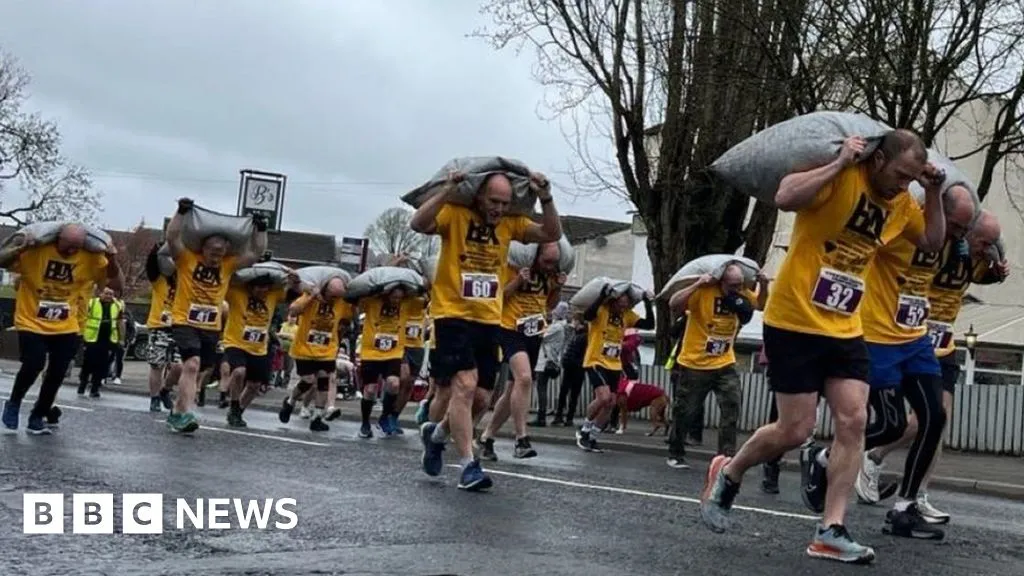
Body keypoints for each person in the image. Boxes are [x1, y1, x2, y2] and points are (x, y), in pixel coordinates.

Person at [699, 130, 947, 565]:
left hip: (846, 324)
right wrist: (837, 163)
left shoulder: (904, 202)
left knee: (853, 420)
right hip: (794, 318)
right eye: (899, 174)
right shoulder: (845, 177)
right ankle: (730, 471)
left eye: (912, 178)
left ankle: (831, 529)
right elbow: (785, 196)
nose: (902, 184)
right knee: (795, 430)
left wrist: (934, 193)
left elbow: (930, 242)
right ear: (878, 160)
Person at [792, 184, 970, 542]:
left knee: (934, 417)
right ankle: (824, 458)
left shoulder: (947, 243)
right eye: (956, 227)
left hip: (916, 337)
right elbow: (859, 242)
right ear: (933, 210)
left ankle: (905, 509)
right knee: (888, 426)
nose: (957, 235)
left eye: (965, 230)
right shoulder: (905, 224)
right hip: (876, 336)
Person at [855, 208, 1009, 522]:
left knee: (938, 420)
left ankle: (916, 494)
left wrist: (996, 272)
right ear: (966, 230)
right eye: (983, 241)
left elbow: (978, 274)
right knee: (912, 419)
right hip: (914, 335)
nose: (985, 248)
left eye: (990, 244)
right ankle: (873, 455)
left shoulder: (972, 255)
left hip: (944, 340)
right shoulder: (934, 242)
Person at [412, 170, 562, 491]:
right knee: (464, 386)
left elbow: (551, 232)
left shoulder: (512, 224)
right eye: (493, 201)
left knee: (482, 398)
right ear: (478, 196)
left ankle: (436, 435)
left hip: (488, 318)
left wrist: (546, 197)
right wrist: (449, 188)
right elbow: (418, 223)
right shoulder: (455, 214)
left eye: (505, 203)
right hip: (452, 315)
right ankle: (468, 464)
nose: (498, 208)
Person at [0, 224, 123, 433]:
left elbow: (116, 283)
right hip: (31, 320)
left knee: (57, 373)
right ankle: (13, 402)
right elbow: (2, 261)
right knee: (34, 364)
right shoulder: (36, 252)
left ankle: (38, 415)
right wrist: (21, 248)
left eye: (77, 247)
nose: (72, 252)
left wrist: (112, 258)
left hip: (66, 325)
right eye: (68, 247)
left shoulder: (90, 257)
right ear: (57, 240)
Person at [164, 198, 267, 433]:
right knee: (192, 364)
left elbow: (255, 252)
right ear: (204, 248)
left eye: (220, 253)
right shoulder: (187, 258)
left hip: (211, 324)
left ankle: (177, 411)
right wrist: (180, 212)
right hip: (183, 319)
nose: (215, 257)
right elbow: (172, 238)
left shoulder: (228, 265)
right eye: (212, 252)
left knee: (200, 369)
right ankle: (187, 412)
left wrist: (261, 228)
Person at [666, 267, 767, 469]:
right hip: (695, 364)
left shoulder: (741, 293)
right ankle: (675, 452)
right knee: (686, 411)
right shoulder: (704, 292)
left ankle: (725, 457)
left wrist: (764, 284)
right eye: (732, 286)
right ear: (721, 282)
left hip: (725, 362)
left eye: (739, 285)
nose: (736, 289)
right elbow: (674, 304)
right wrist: (697, 284)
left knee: (732, 407)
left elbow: (761, 304)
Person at [477, 242, 566, 460]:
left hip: (534, 331)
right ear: (534, 256)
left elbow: (550, 305)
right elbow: (499, 297)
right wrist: (519, 280)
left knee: (512, 391)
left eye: (553, 262)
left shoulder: (550, 275)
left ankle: (486, 437)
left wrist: (558, 286)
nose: (549, 266)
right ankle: (521, 439)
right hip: (509, 329)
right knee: (525, 379)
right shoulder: (514, 266)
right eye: (546, 261)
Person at [575, 285, 655, 452]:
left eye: (625, 305)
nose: (622, 308)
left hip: (614, 363)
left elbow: (649, 324)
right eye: (619, 305)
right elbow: (588, 315)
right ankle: (584, 430)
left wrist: (648, 303)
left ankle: (594, 436)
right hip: (596, 360)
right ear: (613, 301)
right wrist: (601, 297)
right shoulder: (602, 310)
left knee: (611, 403)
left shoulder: (627, 315)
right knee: (603, 398)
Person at [278, 275, 354, 432]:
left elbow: (350, 316)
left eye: (337, 297)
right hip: (305, 348)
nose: (334, 299)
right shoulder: (310, 297)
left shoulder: (341, 303)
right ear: (325, 290)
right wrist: (312, 295)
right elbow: (293, 310)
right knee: (308, 380)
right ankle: (290, 401)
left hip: (327, 349)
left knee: (323, 380)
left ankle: (317, 417)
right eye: (332, 296)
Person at [222, 271, 296, 427]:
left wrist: (292, 278)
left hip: (259, 348)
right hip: (235, 343)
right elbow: (227, 280)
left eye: (266, 288)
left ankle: (238, 412)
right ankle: (234, 405)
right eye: (259, 288)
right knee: (239, 372)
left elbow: (291, 289)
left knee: (255, 385)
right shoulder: (237, 294)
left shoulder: (273, 296)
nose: (263, 292)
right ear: (251, 287)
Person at [355, 284, 417, 437]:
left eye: (399, 298)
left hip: (393, 352)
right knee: (369, 390)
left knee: (394, 384)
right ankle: (365, 423)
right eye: (394, 297)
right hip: (371, 353)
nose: (396, 300)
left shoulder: (405, 304)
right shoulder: (373, 302)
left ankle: (385, 416)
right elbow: (358, 299)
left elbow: (424, 294)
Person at [143, 243, 182, 412]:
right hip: (160, 326)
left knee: (178, 366)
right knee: (156, 364)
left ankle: (165, 389)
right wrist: (160, 247)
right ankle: (154, 398)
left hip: (180, 327)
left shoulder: (186, 282)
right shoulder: (160, 280)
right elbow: (151, 264)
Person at [77, 287, 125, 398]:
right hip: (92, 339)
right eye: (106, 293)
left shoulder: (118, 305)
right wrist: (80, 333)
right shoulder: (92, 303)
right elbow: (82, 317)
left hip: (108, 340)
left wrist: (121, 339)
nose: (109, 296)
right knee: (88, 363)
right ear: (100, 293)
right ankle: (83, 384)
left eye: (111, 294)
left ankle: (95, 388)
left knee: (102, 365)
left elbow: (120, 322)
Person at [532, 301, 570, 427]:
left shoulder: (556, 327)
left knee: (541, 388)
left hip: (545, 361)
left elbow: (540, 336)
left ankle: (541, 416)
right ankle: (541, 415)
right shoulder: (561, 326)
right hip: (551, 360)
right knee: (542, 388)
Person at [551, 314, 587, 427]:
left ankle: (565, 417)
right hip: (573, 367)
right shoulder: (578, 335)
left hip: (575, 367)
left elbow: (577, 352)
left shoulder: (583, 336)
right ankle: (564, 417)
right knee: (569, 393)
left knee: (569, 393)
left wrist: (570, 361)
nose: (573, 324)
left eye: (575, 321)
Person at [276, 314, 298, 387]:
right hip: (280, 350)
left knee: (288, 369)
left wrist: (284, 335)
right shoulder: (282, 325)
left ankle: (284, 385)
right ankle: (276, 383)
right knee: (279, 368)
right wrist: (289, 336)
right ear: (287, 317)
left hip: (291, 351)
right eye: (291, 317)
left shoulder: (297, 328)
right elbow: (277, 334)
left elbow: (295, 338)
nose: (292, 319)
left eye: (294, 317)